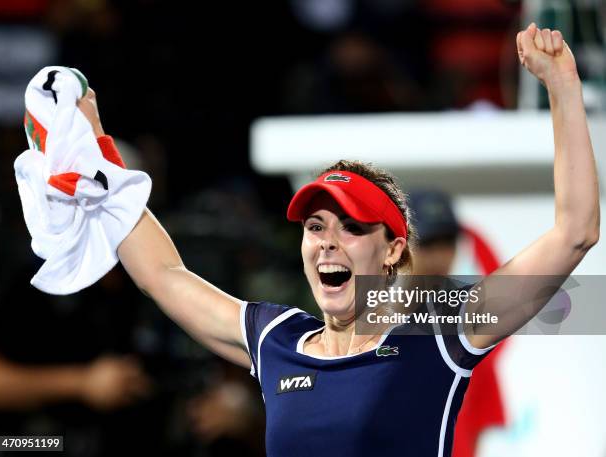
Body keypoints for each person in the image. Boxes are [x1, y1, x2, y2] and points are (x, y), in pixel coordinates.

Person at [75, 24, 599, 456]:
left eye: (351, 227)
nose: (328, 242)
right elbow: (164, 277)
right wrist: (99, 159)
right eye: (315, 226)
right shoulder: (276, 339)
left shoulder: (438, 334)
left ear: (393, 249)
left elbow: (575, 233)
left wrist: (563, 87)